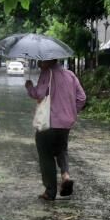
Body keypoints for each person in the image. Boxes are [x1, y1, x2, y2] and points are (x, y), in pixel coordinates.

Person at [25, 59, 86, 201]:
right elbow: (82, 98)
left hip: (49, 122)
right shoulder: (71, 75)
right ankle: (65, 176)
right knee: (61, 149)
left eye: (41, 61)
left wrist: (29, 87)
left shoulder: (47, 73)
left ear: (49, 61)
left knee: (45, 153)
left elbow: (39, 94)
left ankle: (50, 191)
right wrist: (72, 112)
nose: (39, 64)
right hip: (65, 123)